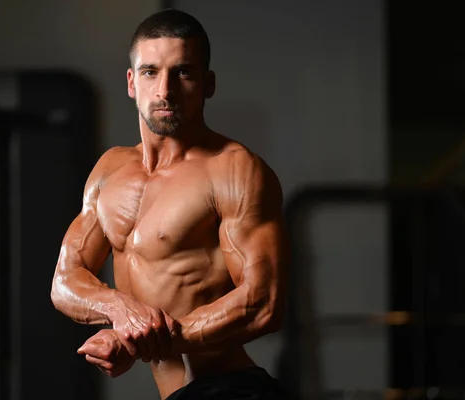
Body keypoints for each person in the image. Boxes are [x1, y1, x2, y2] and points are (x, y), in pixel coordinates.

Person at [50, 8, 289, 400]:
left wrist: (151, 342)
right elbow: (65, 281)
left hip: (231, 389)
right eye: (150, 72)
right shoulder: (110, 169)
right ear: (131, 82)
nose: (165, 90)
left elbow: (264, 303)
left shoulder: (233, 168)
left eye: (184, 72)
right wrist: (120, 311)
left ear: (208, 83)